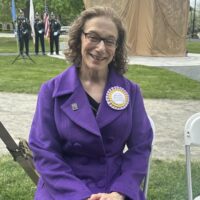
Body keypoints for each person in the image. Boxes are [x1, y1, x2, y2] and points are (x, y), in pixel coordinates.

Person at [29, 6, 153, 200]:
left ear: (117, 47)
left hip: (115, 187)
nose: (101, 48)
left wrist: (120, 192)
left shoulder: (131, 92)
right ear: (79, 38)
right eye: (93, 37)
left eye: (109, 41)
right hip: (64, 190)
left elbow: (141, 147)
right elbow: (44, 152)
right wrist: (81, 196)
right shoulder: (51, 91)